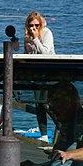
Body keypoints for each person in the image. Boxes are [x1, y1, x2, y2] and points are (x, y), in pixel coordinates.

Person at [24, 11, 55, 140]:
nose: (34, 28)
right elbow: (28, 54)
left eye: (36, 25)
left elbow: (46, 53)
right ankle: (43, 134)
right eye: (31, 26)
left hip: (49, 71)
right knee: (38, 103)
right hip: (36, 72)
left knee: (48, 104)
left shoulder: (47, 33)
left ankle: (62, 127)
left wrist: (36, 38)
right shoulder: (27, 36)